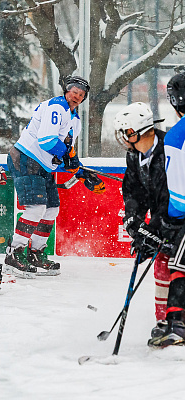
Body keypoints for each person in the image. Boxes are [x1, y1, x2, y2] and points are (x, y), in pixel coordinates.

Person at [4, 76, 105, 279]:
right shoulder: (56, 107)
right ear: (66, 91)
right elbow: (48, 141)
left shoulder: (74, 119)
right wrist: (68, 158)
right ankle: (13, 254)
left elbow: (67, 151)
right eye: (74, 91)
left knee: (51, 208)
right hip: (27, 158)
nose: (77, 96)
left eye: (81, 94)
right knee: (36, 208)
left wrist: (81, 173)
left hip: (43, 166)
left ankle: (36, 254)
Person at [113, 101, 170, 340]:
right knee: (162, 264)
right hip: (164, 217)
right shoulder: (135, 156)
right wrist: (135, 222)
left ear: (133, 131)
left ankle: (175, 320)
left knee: (173, 265)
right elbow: (134, 191)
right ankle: (164, 321)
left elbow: (172, 194)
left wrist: (154, 228)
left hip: (176, 216)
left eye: (124, 132)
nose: (122, 138)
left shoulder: (170, 150)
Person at [146, 73, 185, 347]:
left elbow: (180, 195)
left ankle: (177, 326)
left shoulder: (176, 136)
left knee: (178, 266)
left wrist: (169, 220)